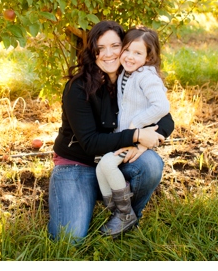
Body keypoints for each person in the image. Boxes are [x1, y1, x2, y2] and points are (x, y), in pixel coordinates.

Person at [48, 20, 173, 242]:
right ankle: (89, 197)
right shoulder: (77, 88)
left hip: (113, 161)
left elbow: (166, 119)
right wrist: (136, 135)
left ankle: (125, 215)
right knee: (69, 238)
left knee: (151, 163)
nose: (109, 54)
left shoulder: (133, 79)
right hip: (78, 164)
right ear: (92, 51)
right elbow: (90, 142)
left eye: (115, 46)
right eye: (100, 48)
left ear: (125, 47)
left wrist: (144, 144)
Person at [95, 26, 169, 237]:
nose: (129, 57)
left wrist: (136, 126)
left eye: (138, 53)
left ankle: (124, 213)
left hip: (133, 139)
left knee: (107, 167)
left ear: (148, 57)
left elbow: (162, 107)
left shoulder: (146, 76)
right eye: (127, 50)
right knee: (103, 168)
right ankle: (117, 211)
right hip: (123, 139)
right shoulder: (126, 73)